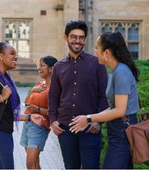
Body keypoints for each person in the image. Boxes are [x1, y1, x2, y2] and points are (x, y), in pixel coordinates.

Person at [69, 31, 140, 169]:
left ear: (106, 53)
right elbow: (115, 106)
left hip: (122, 132)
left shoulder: (121, 72)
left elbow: (120, 111)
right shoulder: (115, 71)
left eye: (96, 47)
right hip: (118, 131)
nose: (95, 51)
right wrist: (94, 119)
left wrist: (88, 118)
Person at [48, 20, 109, 169]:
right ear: (66, 38)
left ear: (85, 39)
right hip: (65, 129)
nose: (77, 41)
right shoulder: (58, 66)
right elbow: (53, 96)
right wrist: (53, 120)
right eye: (74, 37)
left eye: (81, 37)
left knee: (91, 167)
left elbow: (105, 95)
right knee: (70, 167)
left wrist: (97, 122)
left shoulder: (97, 63)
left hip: (89, 128)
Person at [20, 55, 57, 169]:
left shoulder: (55, 88)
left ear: (51, 68)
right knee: (35, 164)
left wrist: (38, 110)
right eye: (38, 65)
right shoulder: (39, 84)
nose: (38, 68)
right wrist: (32, 91)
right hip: (28, 123)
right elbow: (26, 103)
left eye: (42, 65)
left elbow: (55, 111)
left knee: (30, 163)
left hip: (39, 126)